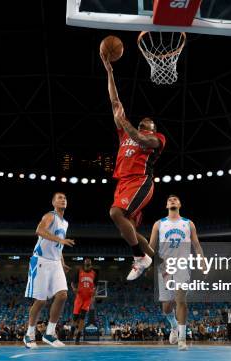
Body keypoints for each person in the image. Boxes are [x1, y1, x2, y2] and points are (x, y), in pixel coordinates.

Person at [100, 51, 166, 281]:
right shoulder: (125, 134)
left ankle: (139, 257)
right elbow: (115, 102)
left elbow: (140, 138)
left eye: (148, 124)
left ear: (153, 128)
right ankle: (160, 264)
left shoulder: (156, 139)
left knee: (115, 212)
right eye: (142, 123)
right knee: (127, 229)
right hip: (123, 183)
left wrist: (126, 123)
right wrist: (109, 72)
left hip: (140, 182)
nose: (144, 125)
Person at [149, 195, 204, 351]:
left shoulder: (188, 223)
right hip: (165, 266)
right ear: (166, 205)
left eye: (175, 199)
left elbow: (197, 245)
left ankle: (182, 339)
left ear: (180, 204)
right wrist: (143, 260)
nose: (172, 200)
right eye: (169, 200)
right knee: (166, 307)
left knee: (181, 301)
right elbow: (151, 247)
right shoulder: (159, 224)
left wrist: (202, 260)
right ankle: (173, 325)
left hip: (182, 265)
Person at [23, 192, 74, 349]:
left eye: (65, 198)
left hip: (55, 262)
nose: (63, 200)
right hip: (41, 261)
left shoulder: (65, 222)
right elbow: (39, 230)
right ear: (53, 202)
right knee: (41, 300)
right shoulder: (50, 216)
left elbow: (58, 246)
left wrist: (62, 262)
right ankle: (29, 334)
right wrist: (60, 240)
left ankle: (50, 333)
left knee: (62, 295)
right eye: (59, 198)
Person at [70, 258, 98, 344]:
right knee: (75, 317)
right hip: (79, 297)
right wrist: (74, 288)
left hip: (87, 298)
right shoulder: (79, 271)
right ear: (84, 265)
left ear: (91, 265)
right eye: (86, 265)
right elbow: (72, 283)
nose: (87, 266)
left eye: (89, 265)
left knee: (82, 317)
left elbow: (95, 286)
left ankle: (78, 335)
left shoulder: (94, 273)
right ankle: (72, 330)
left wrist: (94, 294)